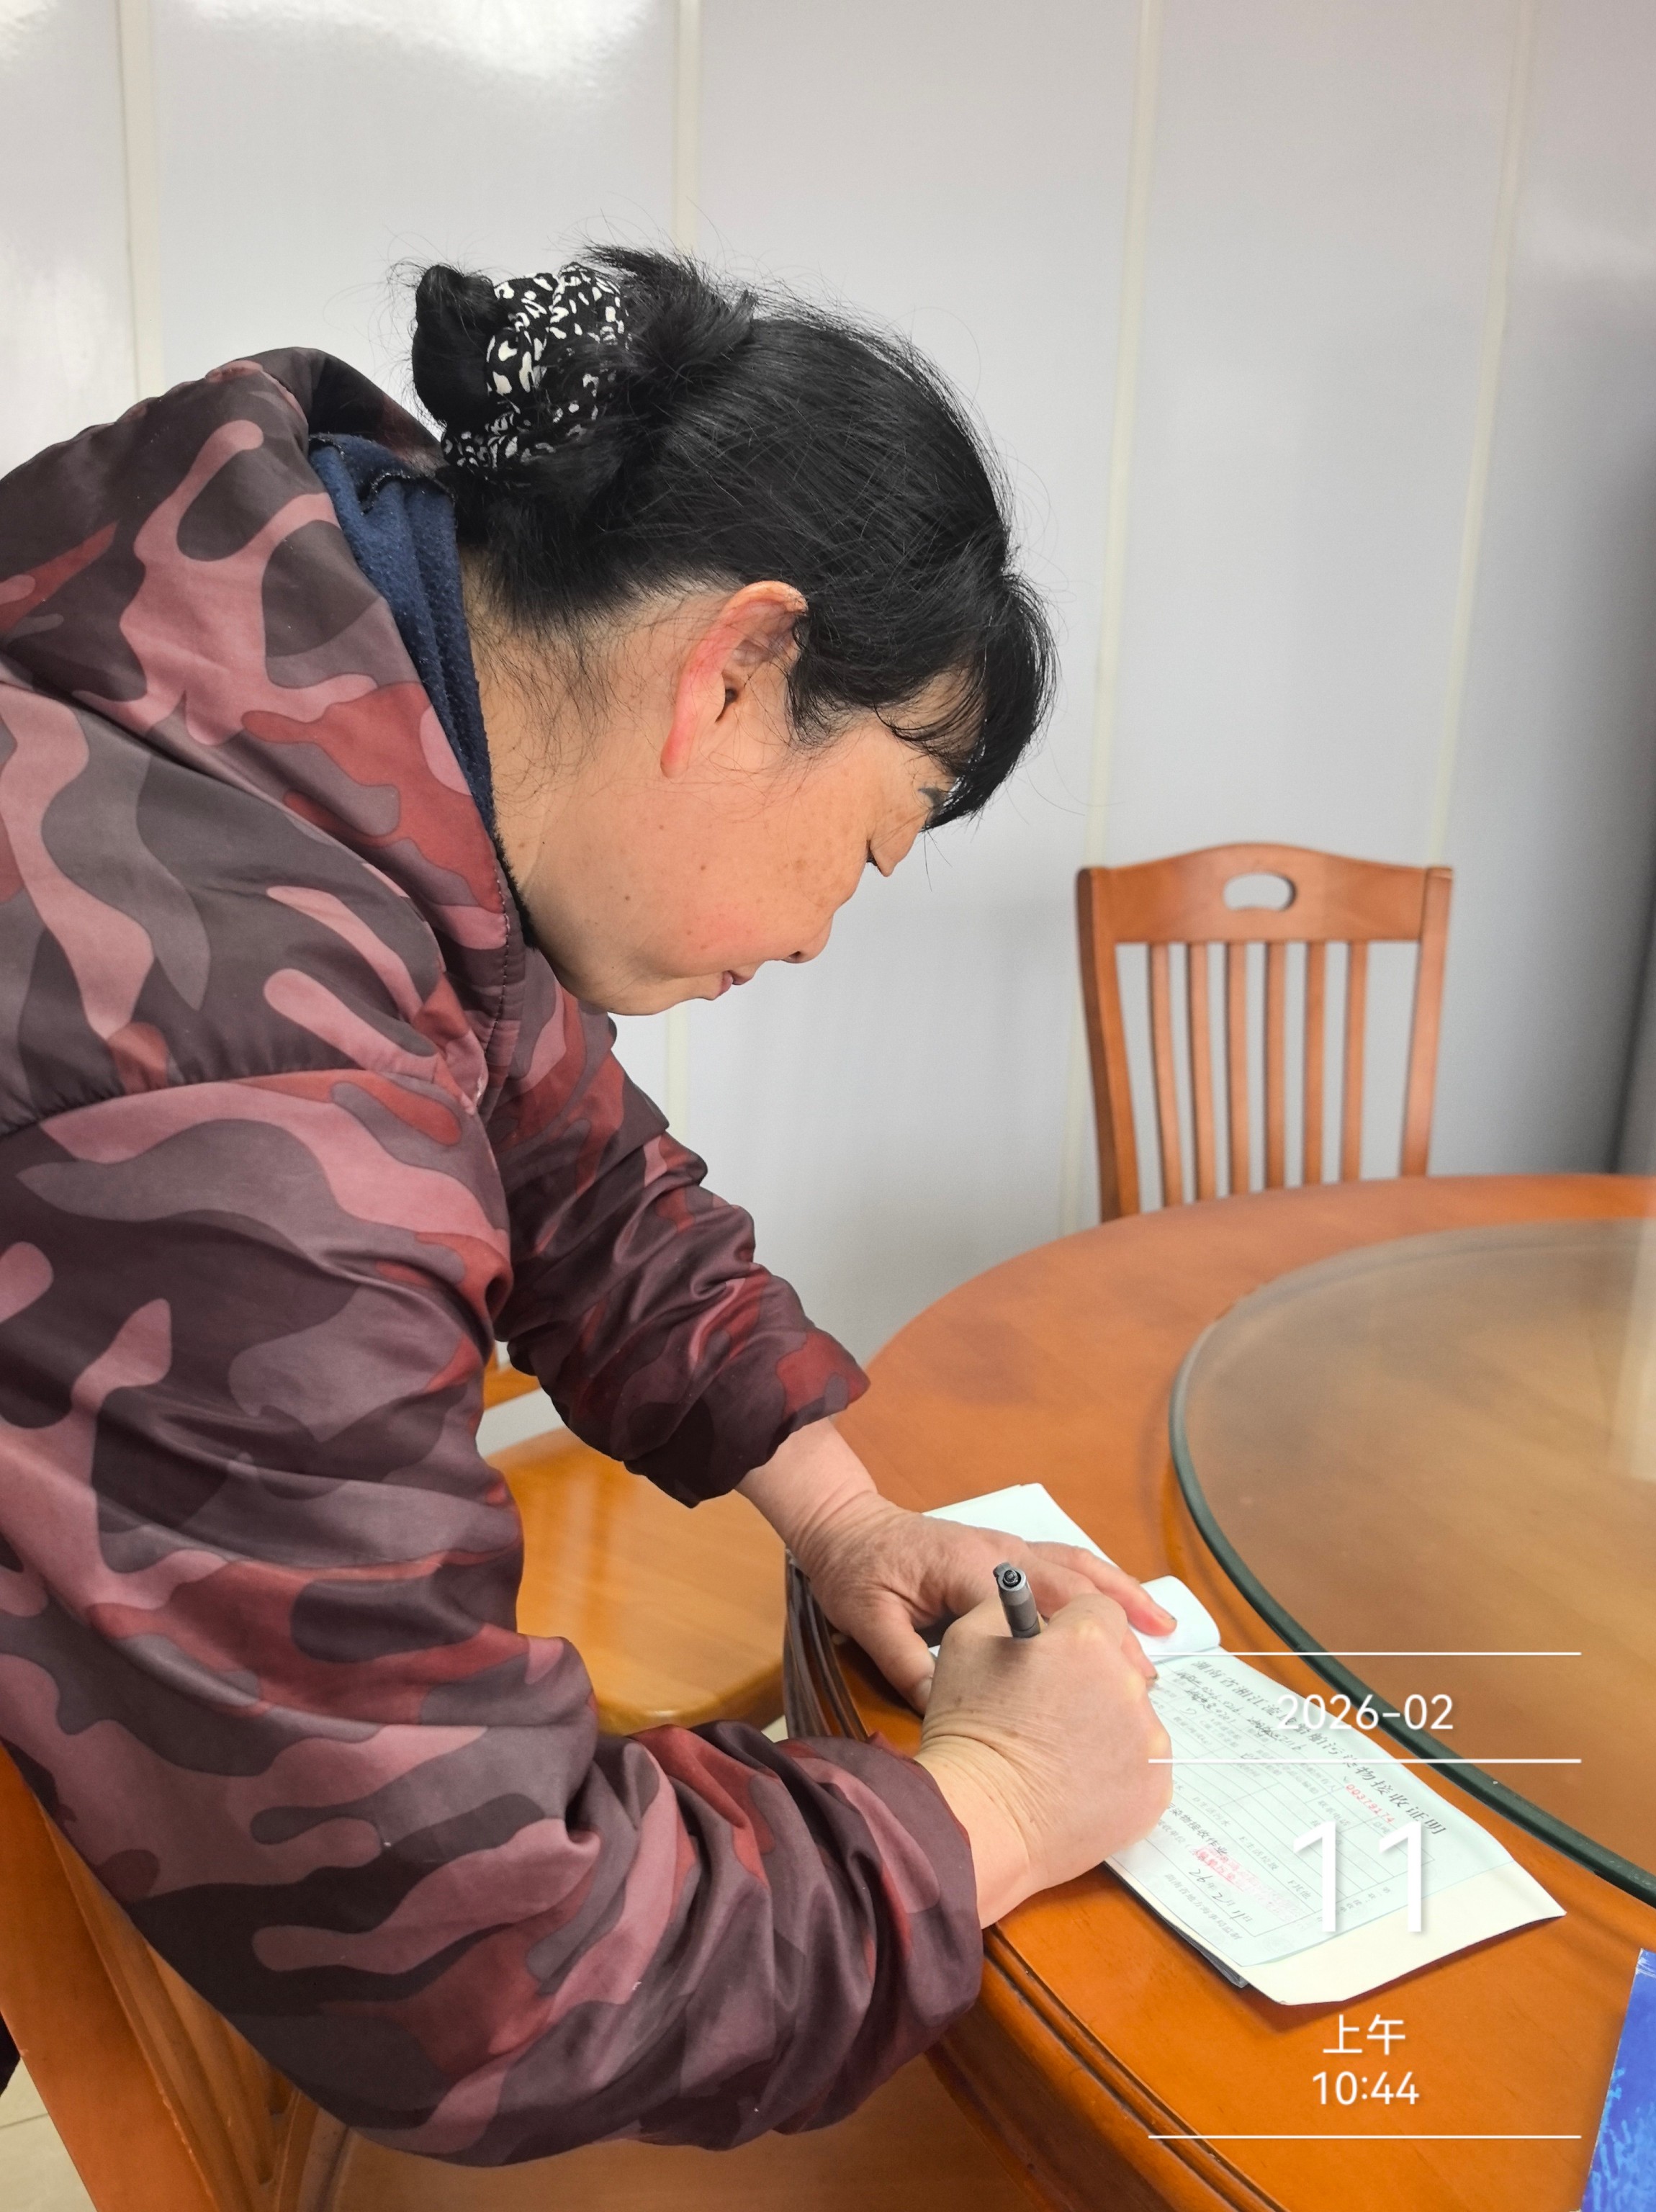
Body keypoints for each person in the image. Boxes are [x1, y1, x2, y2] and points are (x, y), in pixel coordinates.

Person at [0, 248, 1171, 2163]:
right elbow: (492, 1965)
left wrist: (850, 1522)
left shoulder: (282, 652)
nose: (818, 935)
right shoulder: (226, 1061)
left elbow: (569, 1155)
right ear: (736, 670)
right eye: (864, 849)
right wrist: (1006, 1809)